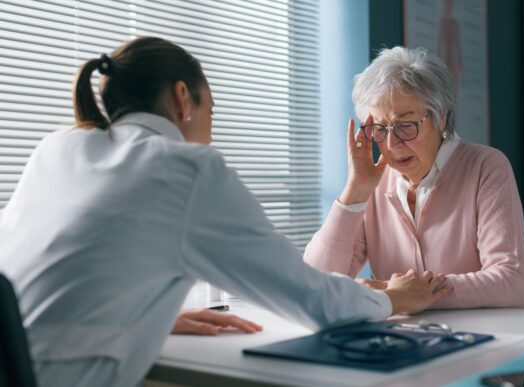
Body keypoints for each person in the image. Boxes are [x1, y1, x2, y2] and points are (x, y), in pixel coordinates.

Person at [0, 37, 453, 387]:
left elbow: (47, 281)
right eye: (211, 111)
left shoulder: (57, 147)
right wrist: (395, 298)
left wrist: (151, 316)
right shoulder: (183, 167)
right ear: (183, 98)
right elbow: (312, 298)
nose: (211, 132)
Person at [304, 46, 524, 309]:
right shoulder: (373, 184)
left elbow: (511, 281)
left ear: (441, 119)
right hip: (405, 339)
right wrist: (354, 193)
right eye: (379, 128)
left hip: (488, 337)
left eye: (405, 126)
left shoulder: (486, 167)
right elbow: (314, 282)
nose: (391, 143)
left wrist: (407, 296)